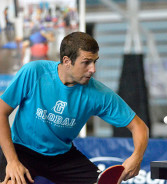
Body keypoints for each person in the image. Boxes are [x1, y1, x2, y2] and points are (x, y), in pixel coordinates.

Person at [0, 32, 149, 184]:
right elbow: (1, 113)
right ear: (67, 61)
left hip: (62, 156)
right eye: (86, 62)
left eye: (95, 62)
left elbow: (139, 127)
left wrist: (137, 157)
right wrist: (12, 161)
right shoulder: (34, 72)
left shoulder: (99, 94)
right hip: (21, 149)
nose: (93, 69)